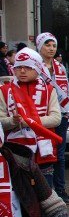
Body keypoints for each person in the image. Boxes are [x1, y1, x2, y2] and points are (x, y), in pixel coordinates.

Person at [0, 48, 62, 188]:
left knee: (46, 196)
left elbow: (56, 118)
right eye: (18, 67)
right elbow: (1, 121)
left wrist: (29, 121)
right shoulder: (4, 91)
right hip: (15, 153)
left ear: (37, 68)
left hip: (43, 152)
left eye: (27, 67)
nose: (22, 71)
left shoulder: (48, 90)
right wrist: (12, 121)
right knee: (22, 197)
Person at [36, 32, 69, 205]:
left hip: (60, 116)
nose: (51, 49)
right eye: (47, 45)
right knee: (42, 154)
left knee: (60, 155)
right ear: (39, 46)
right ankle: (43, 192)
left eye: (53, 46)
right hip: (42, 117)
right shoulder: (34, 66)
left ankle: (60, 190)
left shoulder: (60, 67)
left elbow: (66, 89)